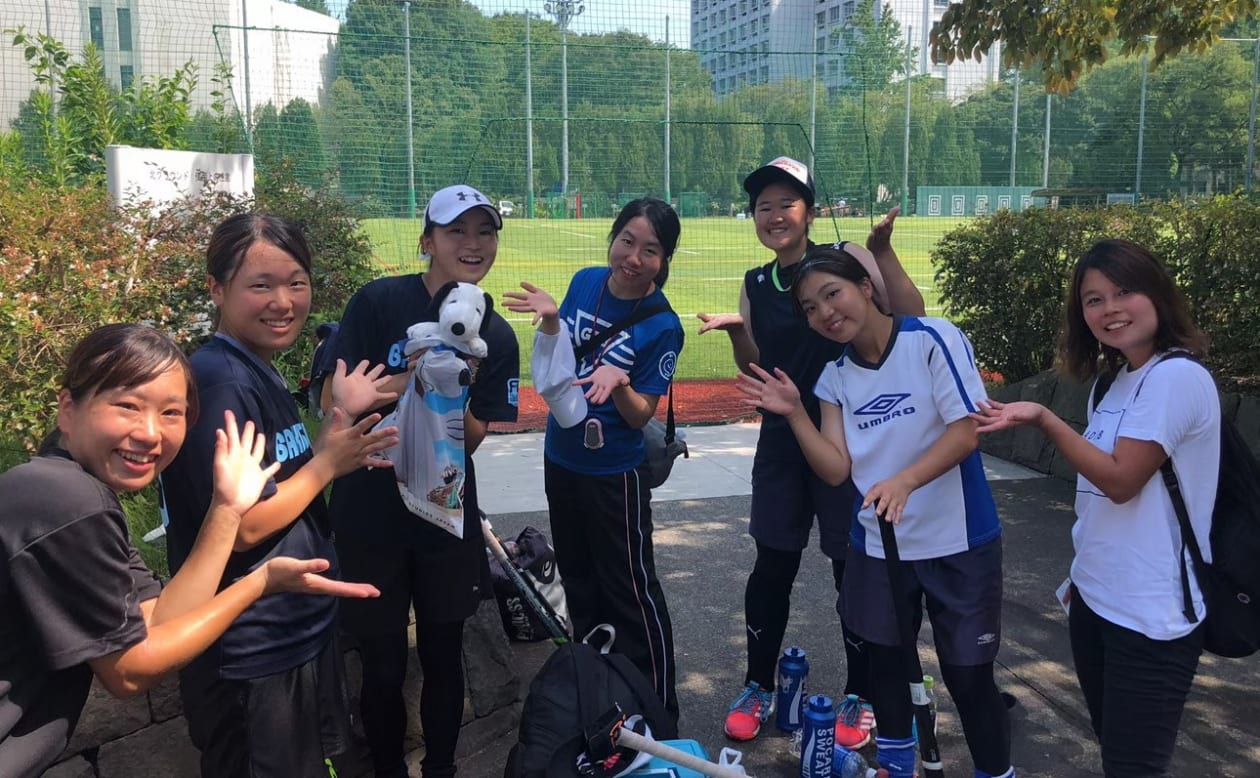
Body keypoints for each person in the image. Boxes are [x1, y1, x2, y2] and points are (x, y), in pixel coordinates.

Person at [0, 323, 381, 778]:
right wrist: (258, 584)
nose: (149, 432)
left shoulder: (75, 489)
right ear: (68, 408)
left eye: (171, 413)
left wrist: (225, 509)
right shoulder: (65, 500)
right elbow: (131, 671)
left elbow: (158, 617)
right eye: (126, 406)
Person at [737, 244, 1013, 778]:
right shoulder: (834, 378)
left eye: (832, 294)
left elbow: (966, 432)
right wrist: (796, 413)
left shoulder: (934, 339)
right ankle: (894, 768)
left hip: (958, 543)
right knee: (887, 670)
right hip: (878, 547)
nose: (825, 313)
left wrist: (906, 480)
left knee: (970, 678)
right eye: (810, 308)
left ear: (865, 287)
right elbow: (837, 469)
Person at [160, 214, 398, 778]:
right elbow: (238, 525)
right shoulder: (221, 383)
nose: (283, 301)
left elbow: (283, 476)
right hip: (251, 651)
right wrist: (328, 463)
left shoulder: (253, 368)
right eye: (260, 285)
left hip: (291, 634)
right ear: (217, 289)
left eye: (296, 282)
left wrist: (336, 429)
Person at [696, 156, 925, 743]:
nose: (774, 215)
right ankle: (758, 684)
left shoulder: (843, 262)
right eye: (763, 206)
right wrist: (737, 332)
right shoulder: (754, 282)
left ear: (810, 212)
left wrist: (883, 251)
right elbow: (756, 371)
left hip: (848, 439)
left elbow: (912, 316)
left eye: (786, 203)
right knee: (773, 563)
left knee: (853, 568)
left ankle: (860, 693)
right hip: (782, 441)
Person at [971, 239, 1217, 777]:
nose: (1110, 310)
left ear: (1157, 294)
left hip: (1153, 615)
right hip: (1097, 601)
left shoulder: (1176, 377)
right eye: (1093, 299)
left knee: (1134, 767)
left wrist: (1043, 418)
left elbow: (1121, 481)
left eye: (1125, 291)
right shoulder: (1113, 381)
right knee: (1115, 752)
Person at [324, 185, 520, 778]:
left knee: (442, 653)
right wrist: (412, 378)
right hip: (370, 507)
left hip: (445, 508)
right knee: (381, 662)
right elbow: (342, 398)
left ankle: (441, 768)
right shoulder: (378, 302)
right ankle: (386, 768)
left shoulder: (498, 335)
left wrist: (451, 386)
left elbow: (475, 434)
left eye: (484, 232)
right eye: (456, 231)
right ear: (427, 239)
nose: (472, 244)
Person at [503, 197, 683, 720]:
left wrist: (621, 383)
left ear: (663, 259)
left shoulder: (661, 326)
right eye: (627, 240)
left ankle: (658, 708)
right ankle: (599, 695)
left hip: (613, 476)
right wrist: (553, 321)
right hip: (562, 461)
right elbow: (559, 362)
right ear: (612, 238)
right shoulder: (585, 281)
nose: (633, 257)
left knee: (630, 591)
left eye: (650, 250)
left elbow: (638, 415)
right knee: (579, 584)